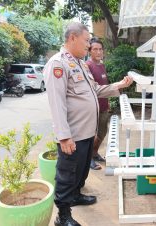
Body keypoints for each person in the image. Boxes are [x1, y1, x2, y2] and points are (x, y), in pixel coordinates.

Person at [44, 22, 133, 226]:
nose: (88, 45)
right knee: (67, 175)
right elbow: (56, 104)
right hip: (72, 135)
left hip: (86, 132)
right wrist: (64, 136)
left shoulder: (80, 64)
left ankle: (76, 195)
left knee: (82, 170)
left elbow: (95, 90)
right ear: (72, 38)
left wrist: (119, 85)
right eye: (86, 41)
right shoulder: (58, 64)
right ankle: (63, 216)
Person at [86, 37, 109, 170]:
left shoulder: (102, 65)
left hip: (104, 106)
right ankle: (88, 159)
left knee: (102, 133)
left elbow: (104, 86)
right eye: (95, 49)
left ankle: (94, 153)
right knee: (91, 135)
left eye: (100, 49)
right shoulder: (87, 66)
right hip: (93, 107)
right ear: (90, 51)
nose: (98, 52)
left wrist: (107, 103)